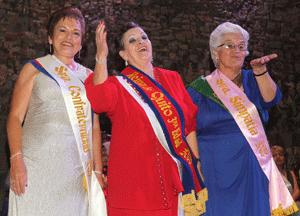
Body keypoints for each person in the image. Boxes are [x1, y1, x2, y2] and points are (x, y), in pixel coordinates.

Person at [85, 21, 207, 215]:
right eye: (132, 40)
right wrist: (101, 56)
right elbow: (98, 101)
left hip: (174, 179)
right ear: (123, 55)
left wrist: (196, 164)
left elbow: (189, 125)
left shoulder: (172, 78)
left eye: (144, 37)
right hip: (135, 186)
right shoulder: (117, 85)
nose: (141, 42)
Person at [187, 21, 298, 216]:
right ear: (215, 52)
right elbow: (188, 128)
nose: (237, 50)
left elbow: (271, 98)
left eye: (242, 46)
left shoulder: (253, 79)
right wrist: (195, 162)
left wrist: (260, 71)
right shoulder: (199, 89)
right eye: (229, 45)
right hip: (215, 166)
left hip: (253, 163)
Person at [7, 6, 106, 215]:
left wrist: (97, 169)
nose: (69, 37)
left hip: (75, 173)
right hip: (35, 168)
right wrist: (16, 159)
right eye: (62, 30)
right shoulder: (34, 68)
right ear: (50, 38)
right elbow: (15, 117)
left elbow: (94, 126)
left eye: (76, 33)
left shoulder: (89, 77)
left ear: (81, 43)